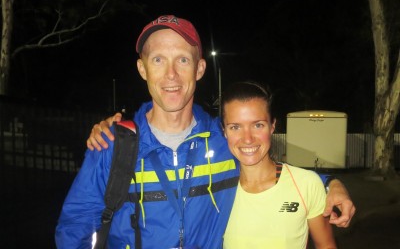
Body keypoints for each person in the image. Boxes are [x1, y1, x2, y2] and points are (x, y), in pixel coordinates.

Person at [56, 14, 354, 249]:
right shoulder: (113, 146)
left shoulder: (226, 139)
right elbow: (75, 227)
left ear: (199, 69)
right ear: (142, 68)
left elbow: (275, 172)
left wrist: (329, 183)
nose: (171, 74)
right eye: (158, 59)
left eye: (182, 60)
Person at [220, 81, 336, 248]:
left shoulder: (307, 184)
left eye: (258, 125)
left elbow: (326, 246)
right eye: (235, 127)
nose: (247, 138)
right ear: (224, 131)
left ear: (272, 126)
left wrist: (334, 182)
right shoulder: (216, 191)